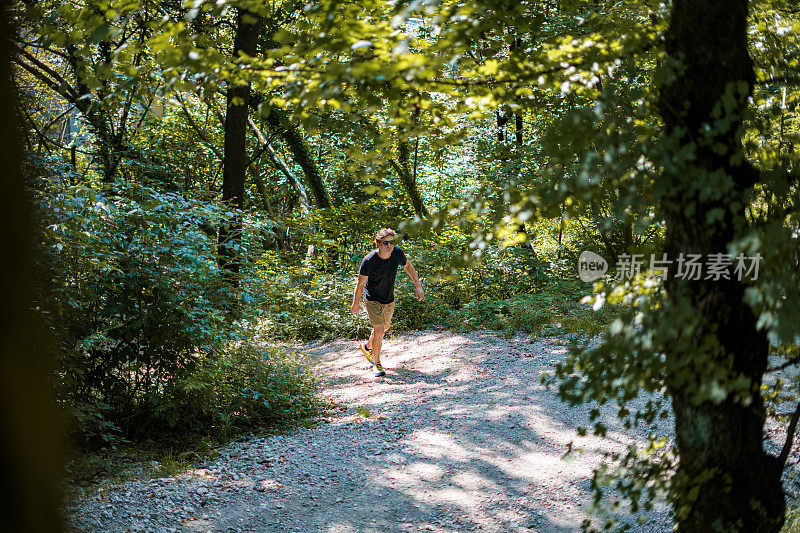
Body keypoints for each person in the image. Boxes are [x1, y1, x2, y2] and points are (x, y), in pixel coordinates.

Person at [350, 228, 424, 376]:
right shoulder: (369, 260)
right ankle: (377, 364)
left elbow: (408, 266)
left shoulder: (397, 253)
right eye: (385, 243)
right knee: (379, 330)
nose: (389, 246)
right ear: (378, 243)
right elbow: (360, 283)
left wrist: (418, 285)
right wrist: (355, 303)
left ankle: (367, 347)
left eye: (391, 242)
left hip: (388, 299)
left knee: (384, 327)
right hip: (372, 299)